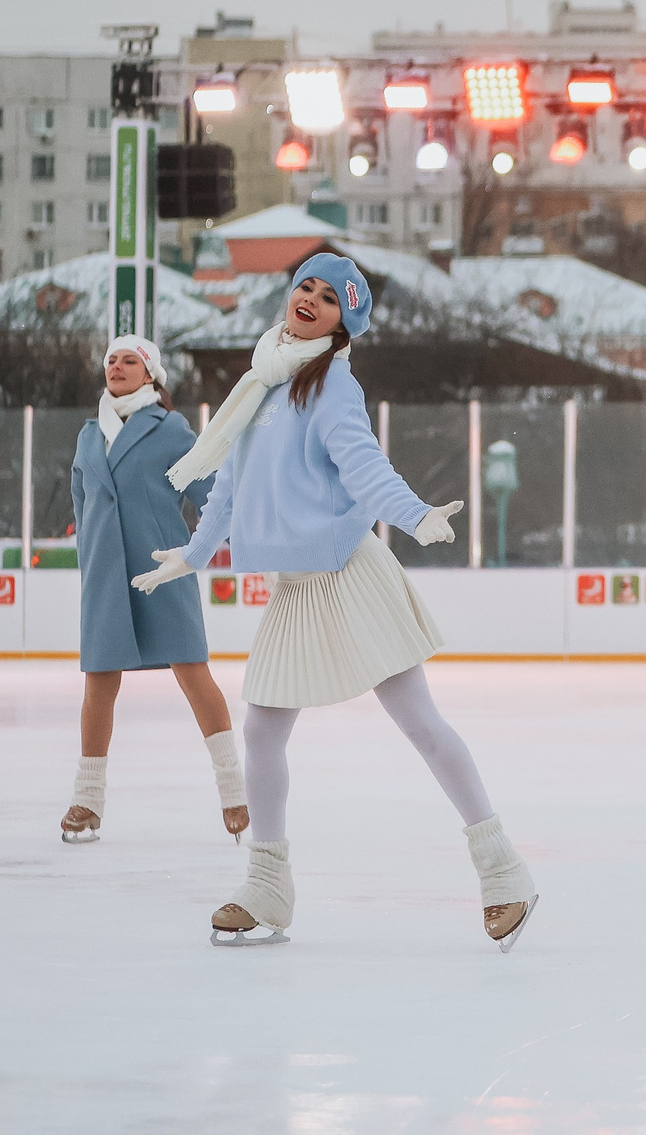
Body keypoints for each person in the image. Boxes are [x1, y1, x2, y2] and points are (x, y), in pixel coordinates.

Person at [132, 255, 535, 947]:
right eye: (306, 287)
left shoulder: (332, 384)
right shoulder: (263, 379)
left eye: (329, 298)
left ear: (342, 324)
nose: (311, 299)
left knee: (421, 724)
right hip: (297, 584)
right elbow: (231, 482)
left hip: (350, 571)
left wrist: (414, 515)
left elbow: (364, 466)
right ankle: (268, 885)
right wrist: (194, 553)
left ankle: (504, 871)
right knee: (262, 732)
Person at [59, 335, 247, 846]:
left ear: (151, 375)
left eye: (130, 361)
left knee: (193, 673)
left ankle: (234, 790)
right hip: (105, 576)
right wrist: (90, 556)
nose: (117, 367)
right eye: (111, 360)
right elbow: (82, 503)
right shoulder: (88, 437)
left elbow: (213, 497)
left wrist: (250, 547)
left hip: (162, 568)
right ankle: (87, 800)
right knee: (99, 683)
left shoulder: (171, 430)